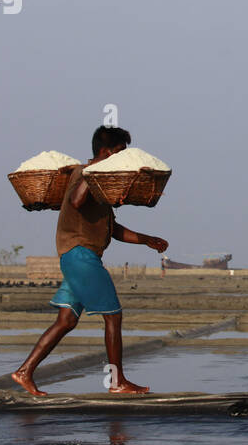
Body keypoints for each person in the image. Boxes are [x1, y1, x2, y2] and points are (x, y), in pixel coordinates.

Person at [11, 126, 168, 395]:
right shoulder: (87, 175)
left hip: (76, 257)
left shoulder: (100, 183)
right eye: (119, 153)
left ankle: (24, 372)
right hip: (81, 255)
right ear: (106, 152)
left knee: (66, 321)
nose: (121, 158)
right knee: (113, 317)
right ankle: (117, 382)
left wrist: (147, 239)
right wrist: (95, 170)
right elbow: (75, 200)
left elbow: (113, 229)